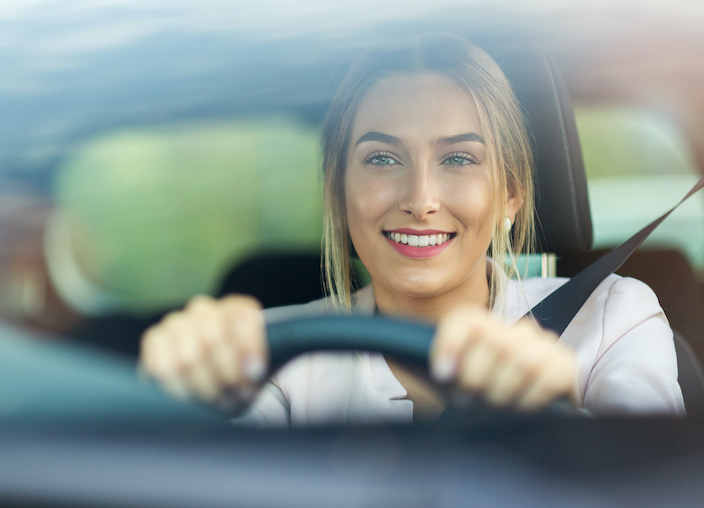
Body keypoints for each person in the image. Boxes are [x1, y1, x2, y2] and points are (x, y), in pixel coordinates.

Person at [139, 34, 686, 426]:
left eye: (458, 159)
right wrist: (175, 408)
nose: (420, 200)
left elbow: (651, 484)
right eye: (381, 158)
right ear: (337, 191)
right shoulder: (271, 356)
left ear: (511, 193)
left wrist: (558, 426)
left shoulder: (612, 319)